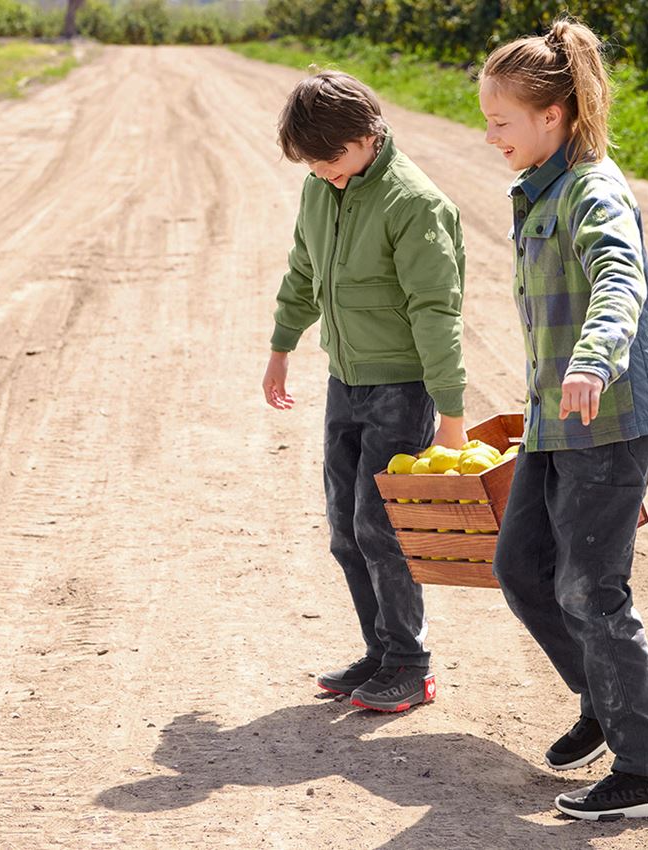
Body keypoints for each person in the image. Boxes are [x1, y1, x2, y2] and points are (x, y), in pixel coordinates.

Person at [479, 18, 648, 820]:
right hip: (557, 417)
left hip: (610, 410)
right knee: (523, 568)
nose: (491, 135)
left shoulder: (592, 190)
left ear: (554, 115)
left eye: (502, 121)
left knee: (590, 587)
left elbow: (617, 278)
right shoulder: (539, 191)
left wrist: (596, 358)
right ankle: (603, 701)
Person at [262, 70, 467, 713]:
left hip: (402, 389)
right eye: (313, 163)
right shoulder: (321, 189)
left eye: (330, 159)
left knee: (382, 528)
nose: (323, 171)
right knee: (345, 532)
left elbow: (437, 311)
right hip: (344, 382)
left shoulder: (415, 204)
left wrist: (453, 414)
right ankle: (379, 652)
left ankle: (411, 663)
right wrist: (281, 347)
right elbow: (303, 270)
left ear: (368, 135)